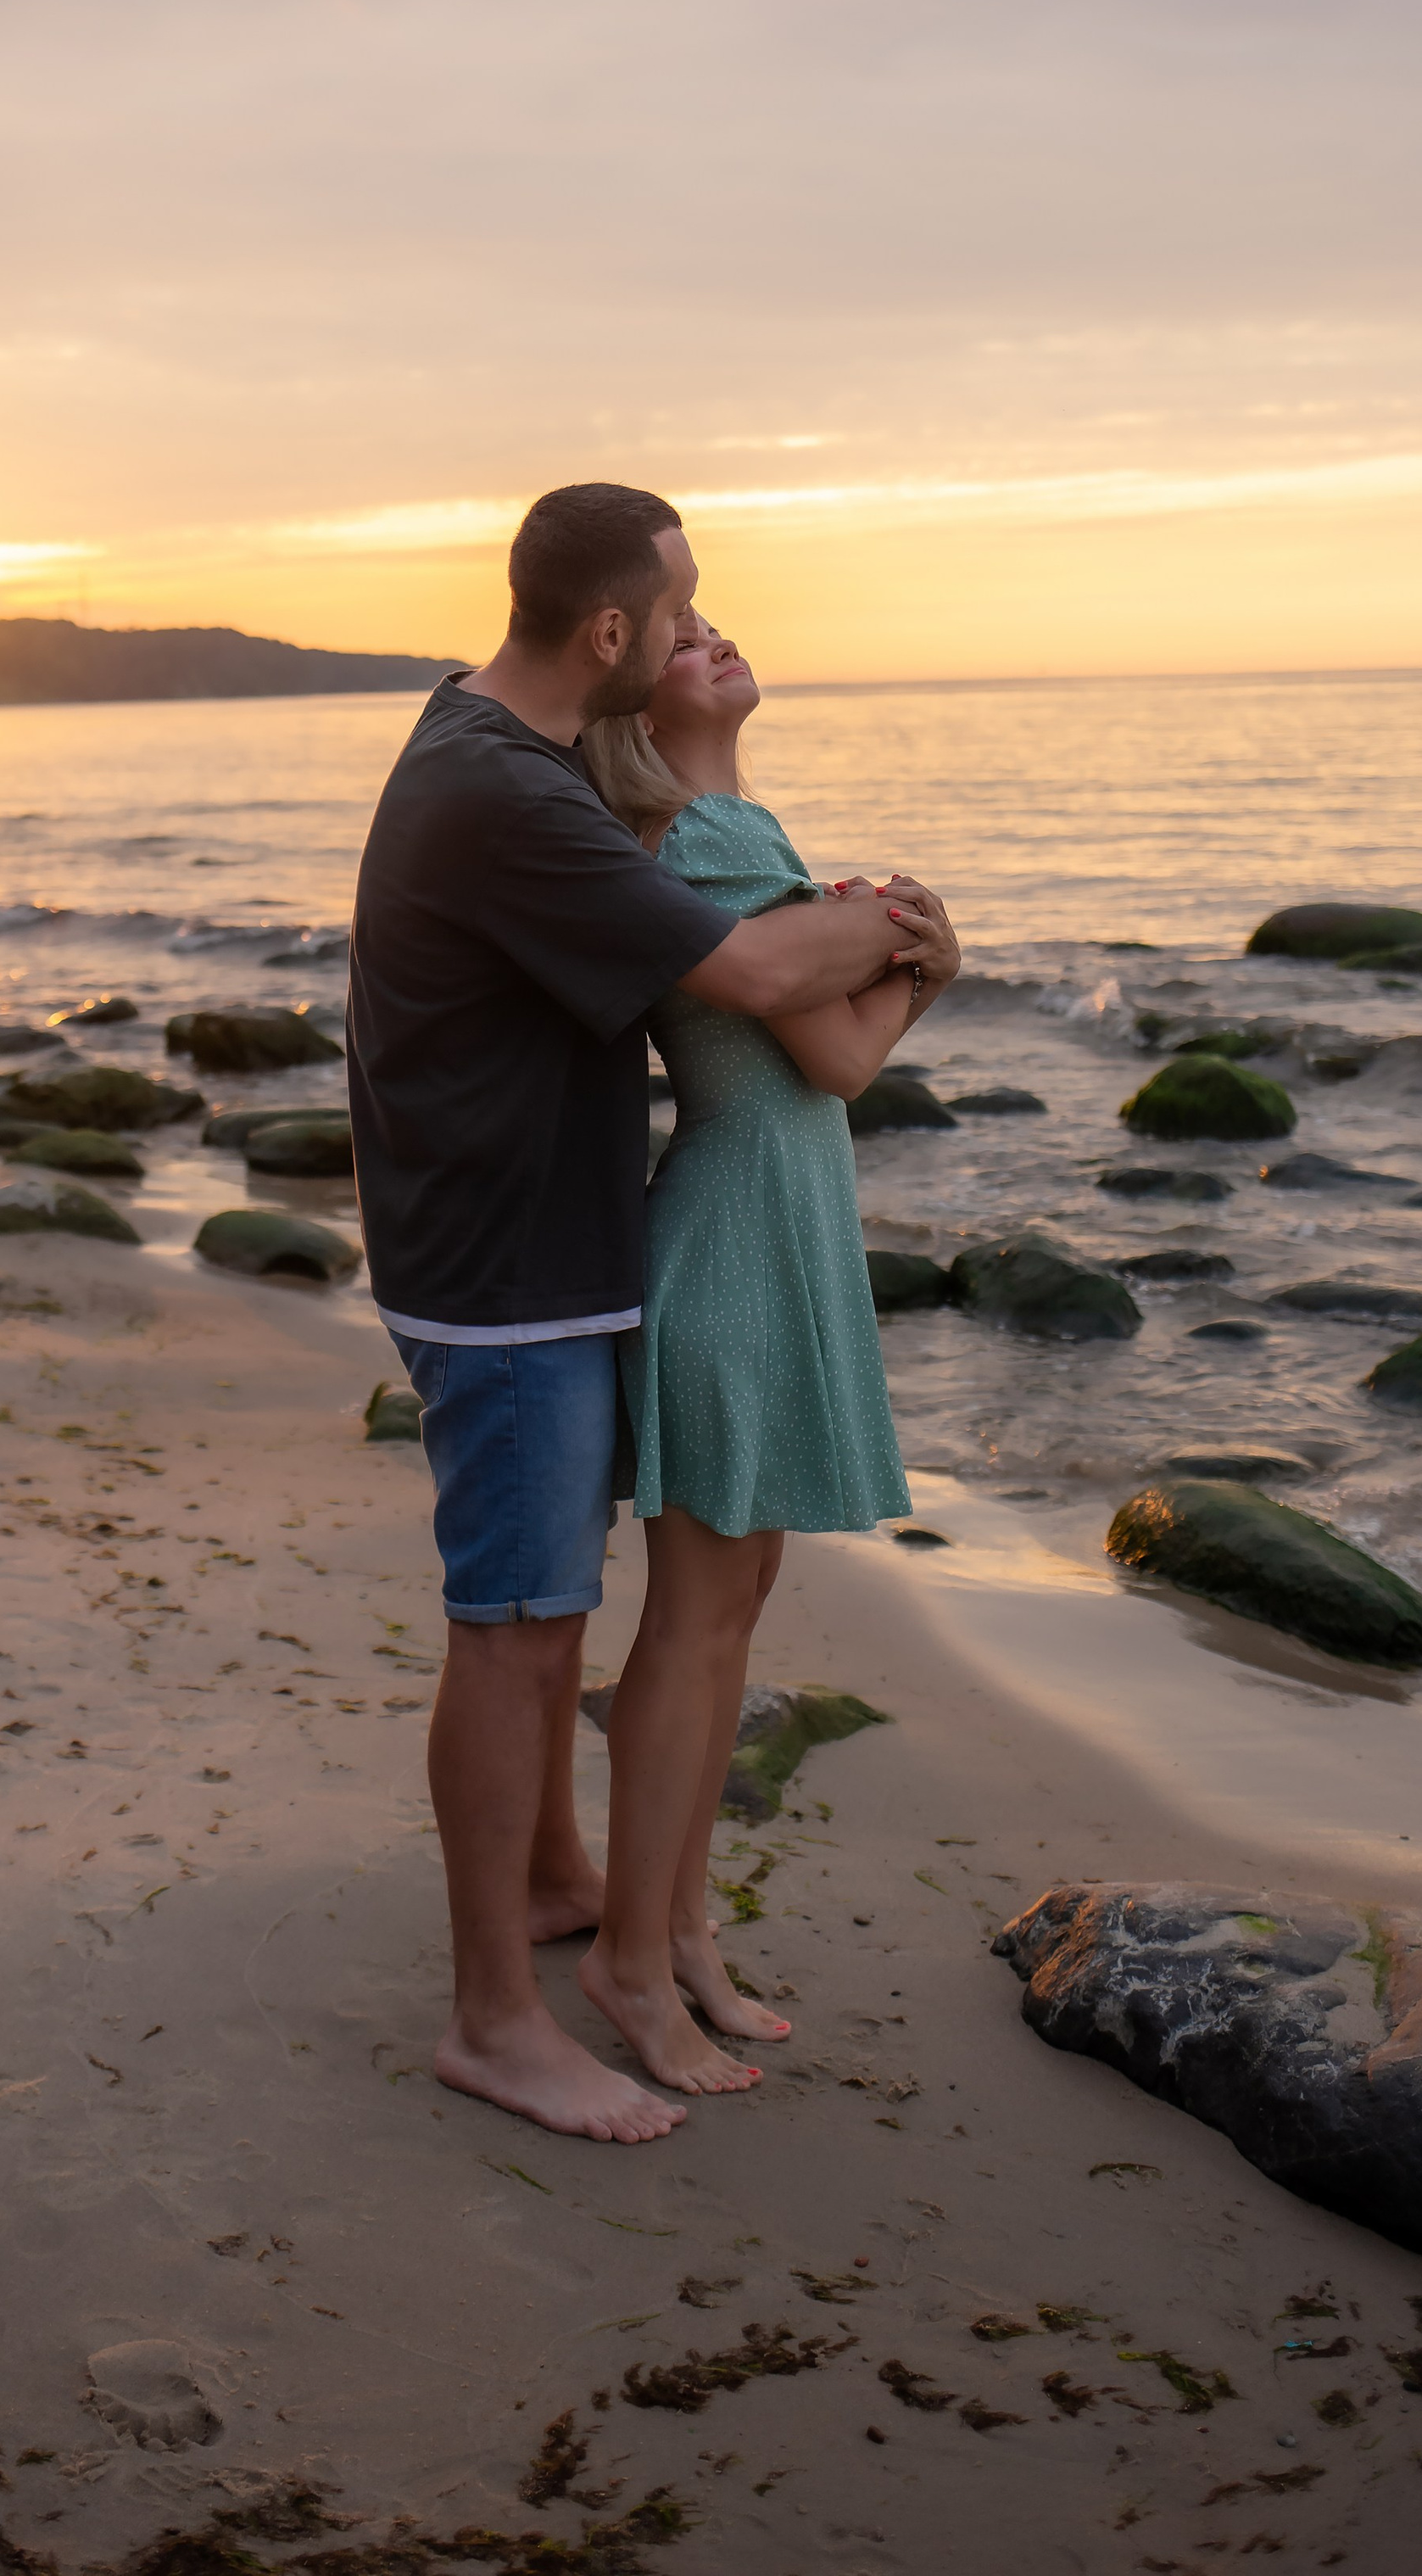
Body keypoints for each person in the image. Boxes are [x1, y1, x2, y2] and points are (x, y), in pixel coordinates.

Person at [347, 483, 947, 2143]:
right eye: (675, 608)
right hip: (505, 1276)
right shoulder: (507, 793)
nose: (696, 628)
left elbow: (760, 976)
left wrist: (852, 922)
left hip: (535, 1246)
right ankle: (493, 2022)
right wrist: (911, 927)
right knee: (521, 1633)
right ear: (607, 633)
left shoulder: (493, 746)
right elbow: (764, 985)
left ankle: (557, 1886)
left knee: (547, 1623)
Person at [577, 618, 955, 2094]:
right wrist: (927, 957)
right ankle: (631, 1954)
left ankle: (679, 1932)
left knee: (730, 1607)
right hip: (736, 1239)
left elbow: (836, 1046)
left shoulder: (726, 828)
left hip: (759, 1226)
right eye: (678, 636)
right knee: (698, 1619)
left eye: (713, 620)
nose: (711, 635)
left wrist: (913, 953)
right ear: (633, 693)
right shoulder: (710, 835)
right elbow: (842, 1061)